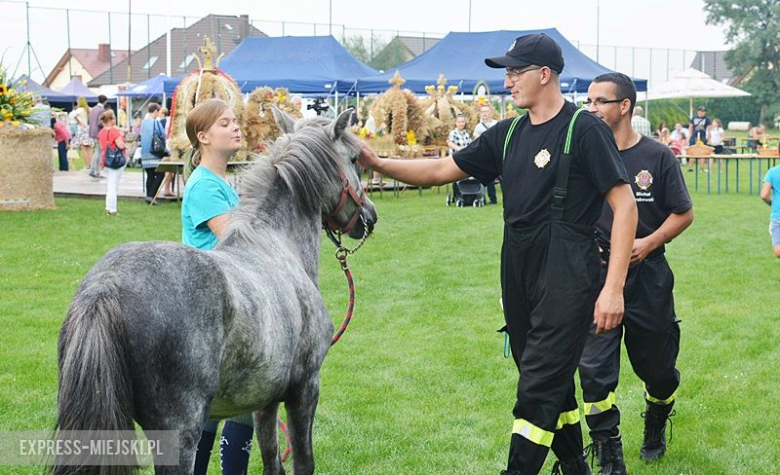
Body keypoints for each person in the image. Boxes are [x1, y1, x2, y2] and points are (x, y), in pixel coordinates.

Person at [358, 33, 637, 475]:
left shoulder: (584, 130)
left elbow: (625, 206)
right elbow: (439, 170)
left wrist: (613, 289)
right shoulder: (506, 134)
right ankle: (576, 467)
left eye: (514, 72)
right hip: (518, 271)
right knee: (549, 383)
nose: (507, 82)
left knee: (537, 387)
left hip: (568, 275)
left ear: (544, 75)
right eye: (506, 72)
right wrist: (376, 164)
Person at [579, 72, 694, 474]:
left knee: (659, 372)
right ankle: (609, 453)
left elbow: (684, 212)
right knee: (593, 373)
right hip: (596, 276)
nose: (590, 109)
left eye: (599, 102)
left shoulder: (657, 156)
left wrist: (649, 242)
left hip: (648, 277)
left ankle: (656, 420)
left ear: (624, 106)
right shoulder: (583, 153)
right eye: (587, 102)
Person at [181, 99, 255, 475]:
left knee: (222, 405)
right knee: (236, 402)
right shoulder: (204, 187)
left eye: (235, 121)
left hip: (229, 300)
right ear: (203, 136)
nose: (236, 128)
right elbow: (233, 241)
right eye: (226, 124)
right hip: (215, 304)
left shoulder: (219, 182)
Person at [97, 109, 126, 216]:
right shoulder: (114, 131)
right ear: (109, 120)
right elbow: (120, 145)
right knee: (113, 186)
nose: (115, 119)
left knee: (110, 184)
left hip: (106, 159)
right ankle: (112, 209)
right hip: (116, 160)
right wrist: (122, 137)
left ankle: (108, 207)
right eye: (114, 118)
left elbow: (102, 147)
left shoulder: (101, 132)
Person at [139, 103, 166, 204]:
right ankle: (151, 196)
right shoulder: (156, 123)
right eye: (158, 112)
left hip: (144, 152)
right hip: (154, 153)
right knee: (160, 174)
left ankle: (148, 196)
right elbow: (162, 135)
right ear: (155, 111)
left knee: (150, 175)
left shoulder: (143, 123)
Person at [473, 104, 500, 204]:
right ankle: (490, 199)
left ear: (491, 113)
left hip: (497, 154)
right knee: (488, 178)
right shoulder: (478, 127)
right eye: (482, 112)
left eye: (486, 111)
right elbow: (476, 140)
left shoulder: (497, 124)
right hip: (486, 155)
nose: (484, 113)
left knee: (503, 177)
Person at [760, 163, 780, 258]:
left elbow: (764, 195)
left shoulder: (772, 172)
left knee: (778, 251)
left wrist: (772, 204)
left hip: (778, 214)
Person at [88, 95, 109, 178]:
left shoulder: (93, 109)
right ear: (105, 101)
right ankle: (96, 171)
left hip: (92, 132)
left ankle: (92, 169)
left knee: (95, 151)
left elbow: (89, 121)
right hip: (98, 133)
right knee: (98, 152)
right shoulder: (102, 110)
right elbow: (100, 123)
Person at [70, 97, 94, 169]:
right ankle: (91, 165)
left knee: (84, 149)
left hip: (82, 129)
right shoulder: (90, 109)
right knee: (89, 149)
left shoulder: (79, 110)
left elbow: (72, 115)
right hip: (89, 129)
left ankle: (87, 165)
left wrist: (79, 122)